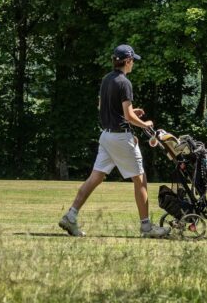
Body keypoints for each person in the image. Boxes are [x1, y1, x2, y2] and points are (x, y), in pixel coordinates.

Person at [58, 45, 171, 239]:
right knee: (140, 180)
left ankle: (71, 216)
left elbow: (103, 107)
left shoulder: (106, 80)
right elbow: (127, 115)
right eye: (132, 60)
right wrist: (145, 123)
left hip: (106, 136)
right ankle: (147, 228)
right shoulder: (124, 83)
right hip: (120, 137)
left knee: (95, 178)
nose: (133, 63)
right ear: (127, 61)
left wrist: (129, 115)